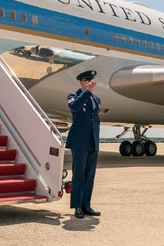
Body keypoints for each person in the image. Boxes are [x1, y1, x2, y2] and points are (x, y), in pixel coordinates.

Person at [66, 70, 102, 219]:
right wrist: (86, 92)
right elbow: (74, 107)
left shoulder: (97, 99)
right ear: (81, 82)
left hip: (93, 142)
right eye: (86, 80)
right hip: (79, 142)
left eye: (91, 79)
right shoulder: (73, 96)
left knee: (89, 176)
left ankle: (86, 205)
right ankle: (77, 207)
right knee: (78, 175)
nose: (89, 82)